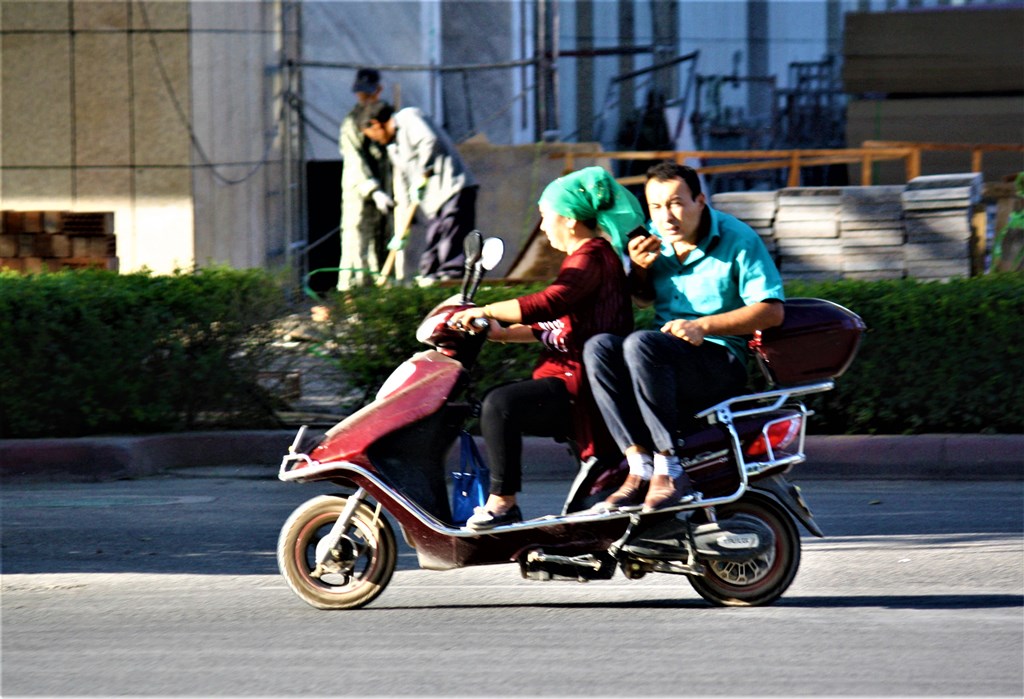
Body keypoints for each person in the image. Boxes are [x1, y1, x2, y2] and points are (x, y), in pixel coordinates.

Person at [447, 166, 644, 530]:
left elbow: (552, 301)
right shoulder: (587, 257)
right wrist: (501, 332)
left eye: (545, 217)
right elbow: (556, 325)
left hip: (580, 383)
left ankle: (503, 502)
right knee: (500, 405)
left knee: (500, 405)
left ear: (569, 220)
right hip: (571, 375)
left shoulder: (591, 257)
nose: (542, 227)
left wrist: (486, 309)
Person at [583, 161, 785, 513]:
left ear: (700, 201)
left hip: (720, 360)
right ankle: (639, 466)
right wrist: (640, 271)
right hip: (662, 357)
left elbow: (772, 311)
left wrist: (704, 326)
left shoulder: (738, 239)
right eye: (656, 207)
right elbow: (642, 297)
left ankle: (670, 468)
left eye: (677, 203)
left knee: (640, 344)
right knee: (599, 347)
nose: (666, 217)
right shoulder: (653, 239)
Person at [359, 101, 478, 283]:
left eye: (373, 136)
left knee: (450, 241)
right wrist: (402, 230)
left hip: (453, 187)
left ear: (376, 124)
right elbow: (404, 184)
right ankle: (429, 278)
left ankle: (450, 279)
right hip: (434, 202)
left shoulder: (409, 117)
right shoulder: (393, 147)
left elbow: (429, 140)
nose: (375, 141)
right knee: (432, 251)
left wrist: (423, 172)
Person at [337, 68, 393, 290]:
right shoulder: (352, 122)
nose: (364, 97)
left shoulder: (384, 114)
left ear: (378, 91)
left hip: (386, 191)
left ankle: (382, 291)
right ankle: (354, 292)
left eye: (368, 93)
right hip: (358, 191)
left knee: (383, 241)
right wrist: (373, 189)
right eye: (360, 93)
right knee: (356, 239)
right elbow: (353, 159)